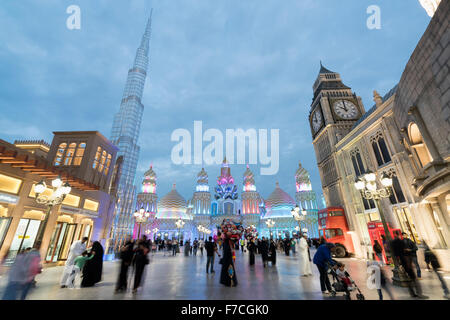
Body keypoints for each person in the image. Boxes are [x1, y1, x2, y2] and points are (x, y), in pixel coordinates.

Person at [391, 232, 427, 299]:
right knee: (414, 279)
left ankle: (412, 293)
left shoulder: (397, 246)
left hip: (405, 264)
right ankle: (419, 294)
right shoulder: (402, 245)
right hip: (408, 264)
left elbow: (396, 255)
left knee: (409, 279)